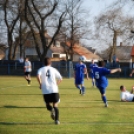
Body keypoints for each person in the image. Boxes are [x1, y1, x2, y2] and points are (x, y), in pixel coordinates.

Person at [37, 57, 62, 125]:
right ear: (50, 63)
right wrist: (56, 84)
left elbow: (38, 76)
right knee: (55, 105)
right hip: (54, 89)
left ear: (44, 63)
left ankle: (51, 110)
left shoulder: (41, 69)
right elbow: (60, 79)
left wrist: (40, 84)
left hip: (45, 90)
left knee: (48, 105)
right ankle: (57, 120)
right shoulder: (53, 69)